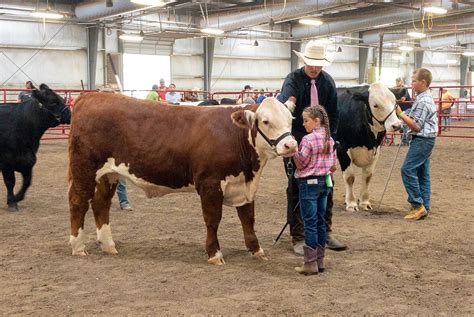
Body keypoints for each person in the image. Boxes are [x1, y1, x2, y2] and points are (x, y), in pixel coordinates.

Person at [277, 40, 346, 255]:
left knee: (327, 185)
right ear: (304, 61)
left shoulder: (327, 83)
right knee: (297, 186)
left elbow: (334, 115)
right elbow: (285, 103)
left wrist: (330, 141)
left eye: (318, 64)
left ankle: (324, 232)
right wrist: (290, 101)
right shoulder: (293, 80)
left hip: (322, 140)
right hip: (297, 138)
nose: (315, 68)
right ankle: (299, 236)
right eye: (311, 63)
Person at [292, 105, 337, 275]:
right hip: (325, 182)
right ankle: (320, 259)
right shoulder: (330, 140)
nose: (304, 124)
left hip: (308, 183)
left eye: (306, 120)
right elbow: (333, 166)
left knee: (309, 223)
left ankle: (310, 263)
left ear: (316, 121)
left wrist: (293, 151)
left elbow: (301, 162)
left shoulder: (308, 140)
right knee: (320, 221)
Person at [396, 68, 437, 221]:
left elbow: (416, 126)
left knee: (407, 169)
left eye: (414, 81)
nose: (411, 84)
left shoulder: (423, 101)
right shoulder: (423, 98)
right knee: (422, 173)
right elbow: (414, 117)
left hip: (422, 139)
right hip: (427, 139)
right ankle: (424, 206)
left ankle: (417, 205)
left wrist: (400, 113)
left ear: (423, 82)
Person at [392, 77, 413, 145]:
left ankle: (405, 141)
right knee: (401, 125)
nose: (398, 82)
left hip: (407, 108)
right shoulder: (395, 89)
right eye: (397, 81)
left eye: (399, 81)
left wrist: (395, 100)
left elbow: (402, 99)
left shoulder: (404, 89)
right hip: (400, 110)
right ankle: (405, 140)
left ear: (401, 82)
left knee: (404, 124)